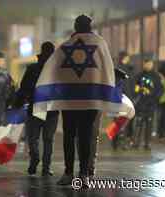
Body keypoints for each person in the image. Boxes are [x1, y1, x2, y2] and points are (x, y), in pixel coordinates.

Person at [55, 15, 114, 186]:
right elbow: (107, 69)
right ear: (90, 26)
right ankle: (84, 174)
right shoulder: (100, 43)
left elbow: (57, 72)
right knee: (86, 136)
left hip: (69, 99)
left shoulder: (66, 46)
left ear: (75, 27)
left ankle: (68, 173)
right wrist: (107, 94)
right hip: (91, 98)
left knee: (69, 135)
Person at [16, 42, 58, 177]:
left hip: (35, 107)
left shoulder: (32, 68)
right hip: (52, 109)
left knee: (33, 138)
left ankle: (34, 158)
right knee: (48, 139)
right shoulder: (58, 70)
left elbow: (23, 88)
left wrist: (19, 102)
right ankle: (46, 167)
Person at [132, 59, 162, 150]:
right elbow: (135, 89)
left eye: (150, 64)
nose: (148, 66)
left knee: (149, 124)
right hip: (140, 104)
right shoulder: (139, 76)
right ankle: (136, 143)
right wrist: (137, 95)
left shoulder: (156, 76)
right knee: (138, 123)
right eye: (146, 64)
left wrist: (155, 99)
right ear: (143, 65)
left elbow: (160, 89)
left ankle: (147, 143)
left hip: (151, 105)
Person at [112, 52, 136, 150]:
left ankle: (115, 143)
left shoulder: (117, 70)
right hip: (124, 99)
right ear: (124, 58)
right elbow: (129, 86)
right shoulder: (126, 70)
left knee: (118, 121)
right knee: (123, 121)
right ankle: (120, 143)